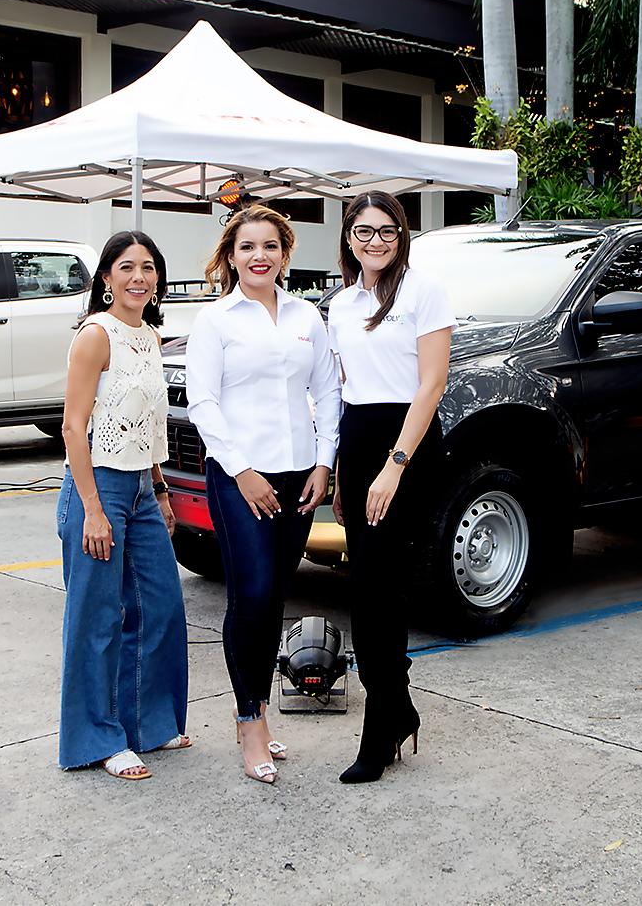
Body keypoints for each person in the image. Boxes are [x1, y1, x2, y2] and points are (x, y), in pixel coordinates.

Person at [186, 205, 342, 785]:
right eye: (247, 246)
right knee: (249, 593)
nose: (259, 256)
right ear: (231, 256)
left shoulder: (308, 316)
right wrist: (243, 470)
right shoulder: (216, 322)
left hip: (300, 473)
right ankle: (248, 717)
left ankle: (257, 707)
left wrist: (324, 464)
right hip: (239, 475)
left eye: (270, 246)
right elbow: (204, 403)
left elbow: (327, 393)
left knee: (276, 594)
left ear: (285, 254)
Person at [328, 192, 454, 784]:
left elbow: (430, 386)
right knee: (364, 587)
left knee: (383, 589)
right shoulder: (342, 302)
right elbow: (345, 388)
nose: (374, 241)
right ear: (349, 237)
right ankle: (397, 707)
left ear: (402, 235)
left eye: (386, 231)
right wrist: (340, 469)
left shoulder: (424, 292)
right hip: (357, 442)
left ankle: (382, 723)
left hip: (403, 443)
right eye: (362, 231)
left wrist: (395, 464)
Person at [56, 230, 190, 781]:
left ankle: (148, 725)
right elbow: (72, 425)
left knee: (160, 608)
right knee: (98, 620)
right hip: (98, 487)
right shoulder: (96, 336)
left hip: (139, 485)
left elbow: (148, 424)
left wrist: (160, 489)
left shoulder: (151, 337)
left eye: (149, 267)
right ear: (107, 278)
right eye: (127, 267)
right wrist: (91, 507)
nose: (139, 277)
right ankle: (100, 738)